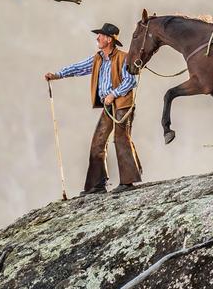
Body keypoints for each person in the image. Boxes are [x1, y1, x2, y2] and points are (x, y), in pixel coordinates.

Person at [45, 22, 142, 195]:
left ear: (109, 40)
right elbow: (78, 68)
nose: (98, 38)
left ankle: (127, 182)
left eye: (101, 36)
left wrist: (113, 94)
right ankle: (97, 185)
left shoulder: (124, 57)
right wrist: (57, 75)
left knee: (121, 139)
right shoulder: (98, 58)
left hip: (122, 105)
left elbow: (131, 81)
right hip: (108, 106)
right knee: (98, 142)